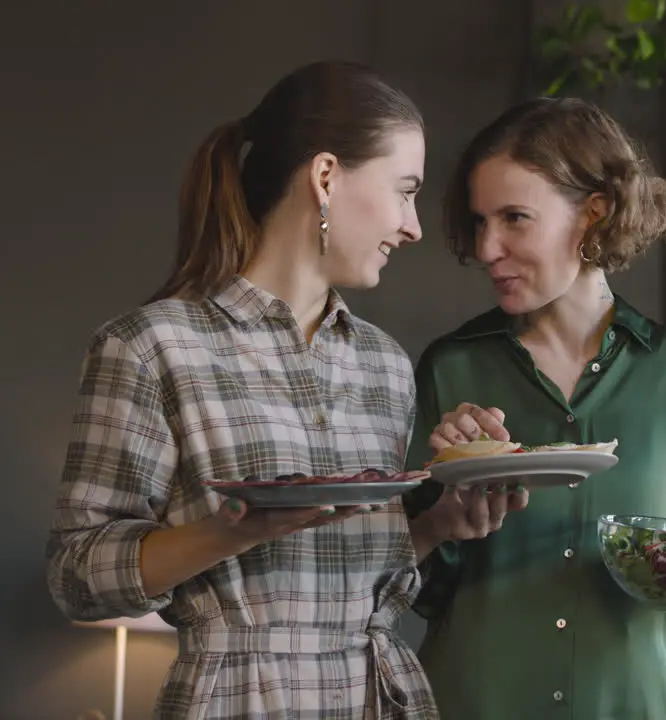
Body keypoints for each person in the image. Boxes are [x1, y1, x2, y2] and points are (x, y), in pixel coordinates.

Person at [45, 60, 441, 720]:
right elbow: (76, 577)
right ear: (325, 177)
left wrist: (440, 524)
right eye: (405, 191)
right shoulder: (152, 346)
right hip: (239, 701)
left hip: (380, 698)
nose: (414, 226)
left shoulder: (386, 366)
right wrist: (231, 533)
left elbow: (357, 575)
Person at [402, 96, 666, 720]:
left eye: (514, 218)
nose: (487, 247)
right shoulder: (451, 369)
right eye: (480, 220)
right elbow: (409, 584)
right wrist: (443, 515)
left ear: (594, 214)